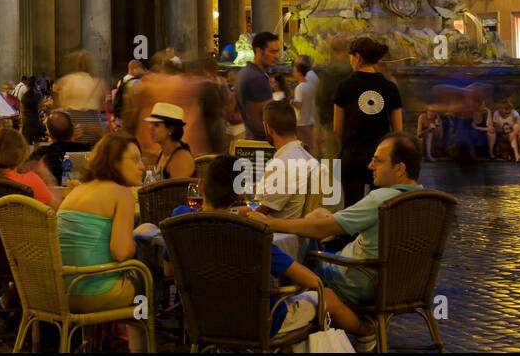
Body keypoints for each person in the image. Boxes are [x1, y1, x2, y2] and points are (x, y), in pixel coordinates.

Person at [171, 155, 371, 343]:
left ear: (201, 185)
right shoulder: (252, 235)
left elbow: (168, 271)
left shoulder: (179, 221)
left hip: (202, 321)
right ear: (240, 194)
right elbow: (313, 282)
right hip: (260, 325)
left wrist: (231, 213)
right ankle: (367, 332)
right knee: (326, 296)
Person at [251, 134, 424, 315]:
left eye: (378, 161)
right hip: (397, 286)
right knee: (316, 218)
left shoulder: (382, 199)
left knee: (285, 263)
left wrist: (270, 223)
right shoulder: (425, 200)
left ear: (399, 169)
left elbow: (320, 230)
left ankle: (282, 324)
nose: (370, 166)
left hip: (354, 283)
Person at [56, 134, 148, 351]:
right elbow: (121, 252)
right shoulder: (121, 194)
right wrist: (136, 239)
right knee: (146, 278)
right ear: (113, 163)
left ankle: (94, 345)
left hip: (60, 294)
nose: (142, 167)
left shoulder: (77, 190)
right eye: (134, 160)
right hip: (94, 294)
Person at [333, 37, 402, 207]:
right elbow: (398, 130)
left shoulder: (344, 86)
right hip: (381, 156)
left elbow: (336, 128)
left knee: (351, 207)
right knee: (381, 207)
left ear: (357, 57)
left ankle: (352, 235)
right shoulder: (390, 87)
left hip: (353, 154)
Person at [252, 101, 318, 219]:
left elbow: (258, 212)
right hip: (293, 231)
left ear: (268, 129)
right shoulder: (306, 157)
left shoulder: (283, 165)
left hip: (275, 233)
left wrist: (229, 211)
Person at [0, 126, 54, 205]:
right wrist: (49, 179)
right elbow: (53, 210)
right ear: (21, 155)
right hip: (23, 217)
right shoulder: (32, 181)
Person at [53, 50, 108, 145]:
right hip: (93, 125)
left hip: (72, 127)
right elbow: (103, 106)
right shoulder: (99, 83)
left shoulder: (64, 82)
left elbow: (61, 107)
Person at [237, 32, 281, 141]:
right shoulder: (256, 78)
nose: (277, 56)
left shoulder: (246, 71)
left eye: (277, 52)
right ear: (258, 51)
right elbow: (257, 122)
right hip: (260, 146)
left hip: (252, 141)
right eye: (272, 52)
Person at [36, 111, 90, 185]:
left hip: (51, 194)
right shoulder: (85, 149)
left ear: (49, 134)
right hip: (80, 192)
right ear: (73, 129)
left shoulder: (42, 152)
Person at [146, 102, 194, 180]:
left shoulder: (181, 158)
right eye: (151, 124)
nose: (151, 128)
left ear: (171, 129)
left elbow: (177, 191)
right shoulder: (163, 153)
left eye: (156, 125)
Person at [292, 57, 317, 152]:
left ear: (299, 73)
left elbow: (299, 105)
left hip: (301, 121)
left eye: (294, 71)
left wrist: (291, 102)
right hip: (310, 120)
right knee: (311, 145)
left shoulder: (299, 87)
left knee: (302, 147)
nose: (293, 73)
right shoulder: (311, 86)